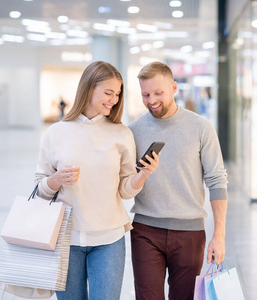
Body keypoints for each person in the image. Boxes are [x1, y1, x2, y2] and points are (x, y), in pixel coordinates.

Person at [34, 61, 160, 300]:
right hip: (65, 239)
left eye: (118, 94)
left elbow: (125, 190)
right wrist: (57, 179)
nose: (113, 99)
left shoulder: (121, 134)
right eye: (108, 92)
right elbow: (38, 188)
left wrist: (142, 175)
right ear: (89, 88)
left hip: (109, 239)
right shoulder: (56, 132)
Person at [128, 61, 228, 300]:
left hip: (189, 233)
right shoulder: (132, 131)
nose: (152, 100)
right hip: (145, 230)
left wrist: (219, 235)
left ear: (173, 88)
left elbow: (217, 181)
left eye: (158, 93)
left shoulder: (201, 127)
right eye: (145, 94)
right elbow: (125, 182)